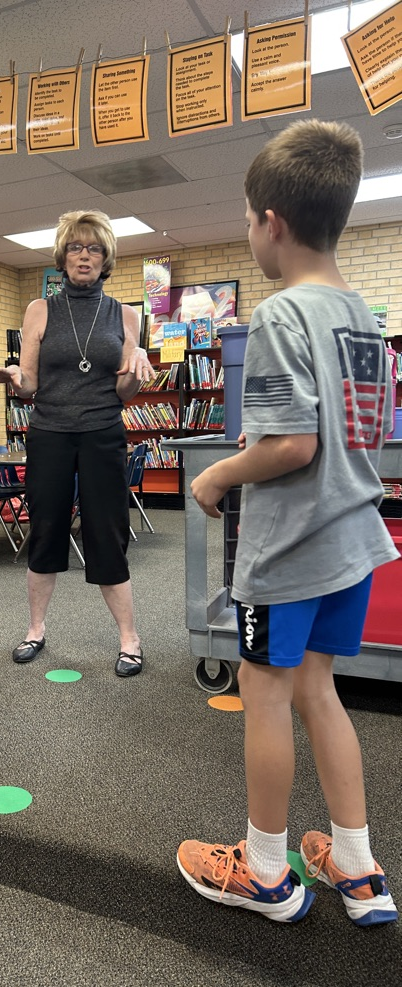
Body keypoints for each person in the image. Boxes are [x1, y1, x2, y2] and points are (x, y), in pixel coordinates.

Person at [177, 120, 398, 926]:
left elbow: (296, 444)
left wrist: (220, 473)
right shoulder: (366, 320)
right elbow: (349, 434)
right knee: (321, 691)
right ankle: (358, 864)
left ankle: (265, 873)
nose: (249, 234)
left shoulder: (276, 315)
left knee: (262, 692)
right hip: (351, 543)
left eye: (244, 221)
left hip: (288, 550)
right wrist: (263, 442)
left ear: (271, 221)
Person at [0, 209, 153, 677]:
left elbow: (123, 392)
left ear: (106, 258)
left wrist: (136, 375)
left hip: (102, 433)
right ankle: (35, 629)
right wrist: (15, 376)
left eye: (94, 248)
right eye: (76, 247)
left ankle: (129, 639)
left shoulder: (126, 315)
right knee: (46, 528)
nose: (84, 255)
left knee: (108, 532)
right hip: (50, 432)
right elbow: (31, 385)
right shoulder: (40, 310)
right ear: (62, 256)